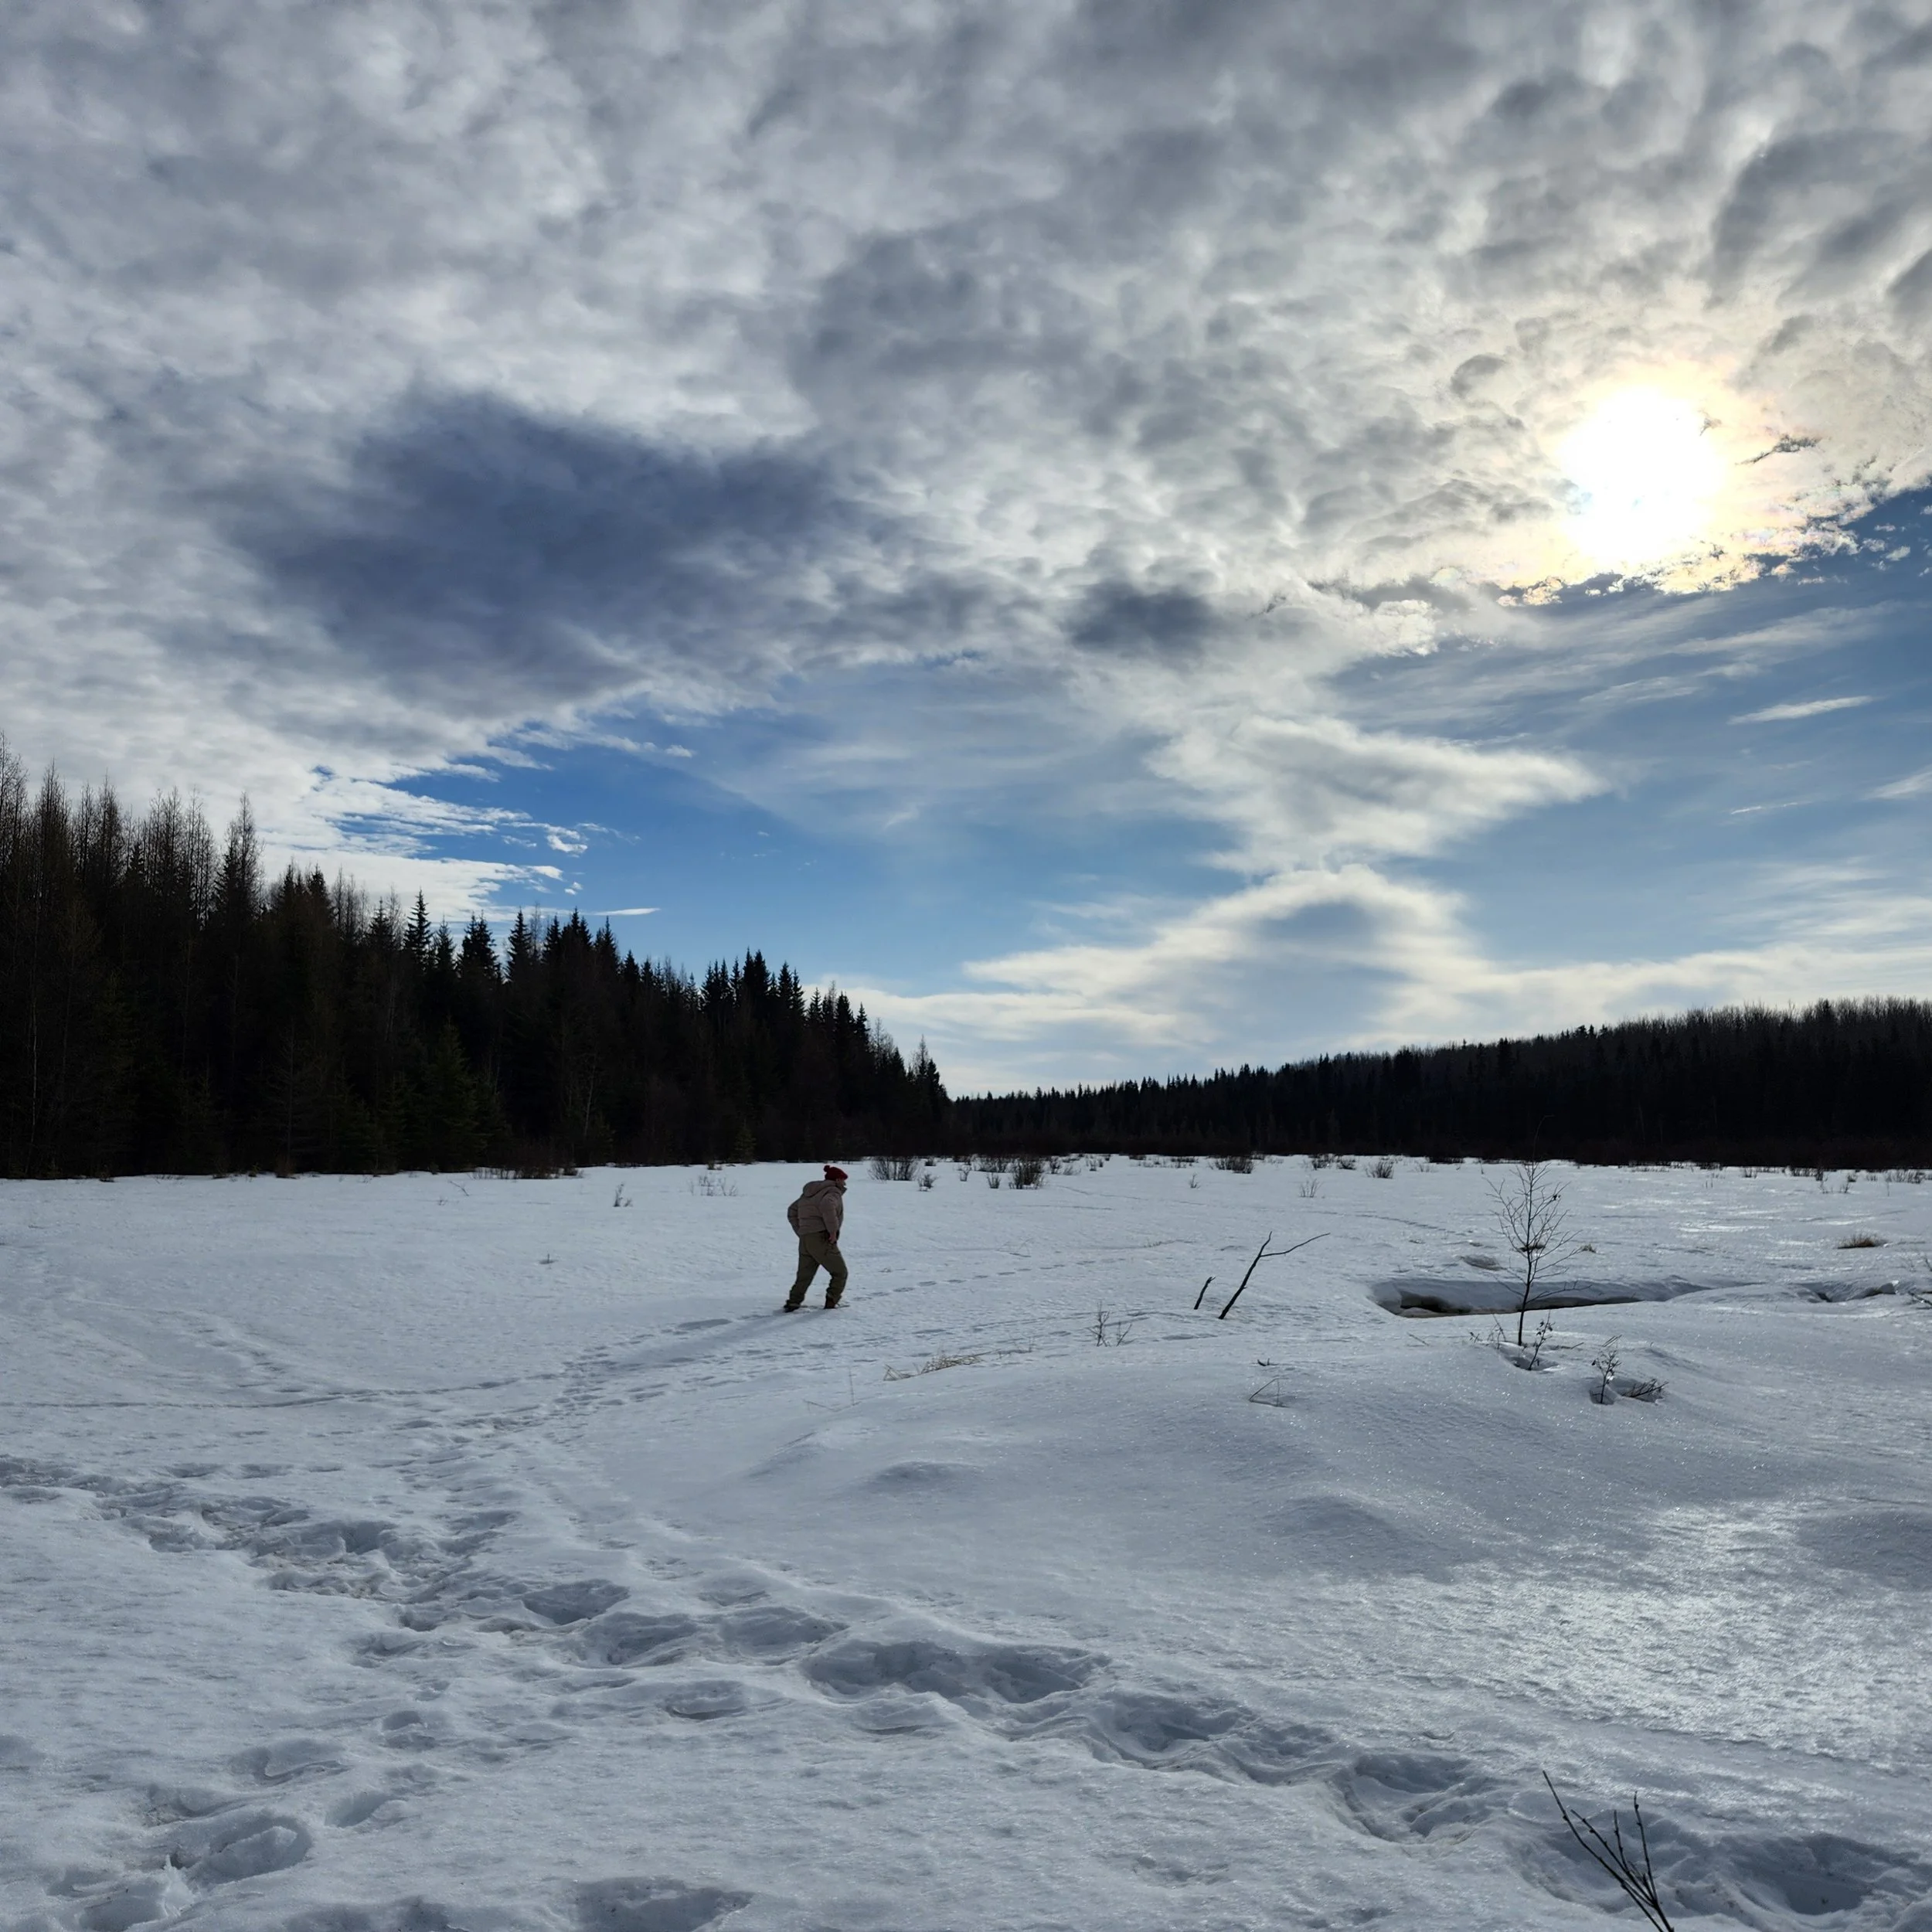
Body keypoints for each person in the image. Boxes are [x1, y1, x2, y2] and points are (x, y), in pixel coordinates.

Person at [783, 1165, 849, 1311]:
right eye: (844, 1180)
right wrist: (832, 1231)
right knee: (840, 1272)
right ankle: (831, 1301)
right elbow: (827, 1205)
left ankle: (793, 1302)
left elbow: (792, 1210)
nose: (844, 1184)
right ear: (837, 1180)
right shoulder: (833, 1192)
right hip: (821, 1238)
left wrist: (801, 1230)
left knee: (805, 1274)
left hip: (806, 1239)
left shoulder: (809, 1193)